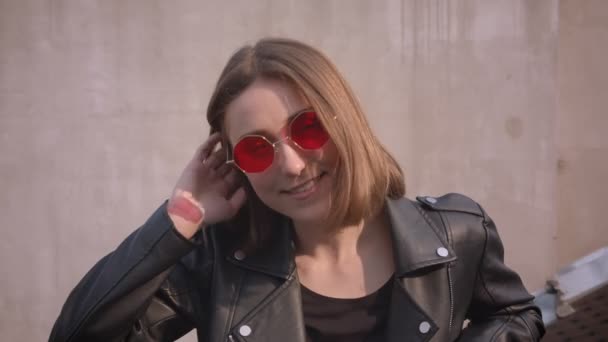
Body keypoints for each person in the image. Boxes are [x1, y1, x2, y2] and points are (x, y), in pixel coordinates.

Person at [49, 38, 545, 342]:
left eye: (307, 128)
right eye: (257, 150)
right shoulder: (215, 267)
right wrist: (179, 218)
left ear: (343, 121)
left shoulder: (458, 236)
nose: (291, 164)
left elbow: (517, 311)